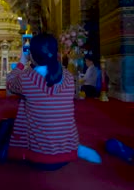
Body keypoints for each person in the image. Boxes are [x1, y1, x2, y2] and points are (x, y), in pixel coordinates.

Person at [6, 34, 100, 170]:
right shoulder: (68, 77)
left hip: (37, 157)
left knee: (9, 122)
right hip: (67, 155)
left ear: (32, 55)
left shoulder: (27, 78)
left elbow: (9, 83)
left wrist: (22, 62)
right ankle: (75, 148)